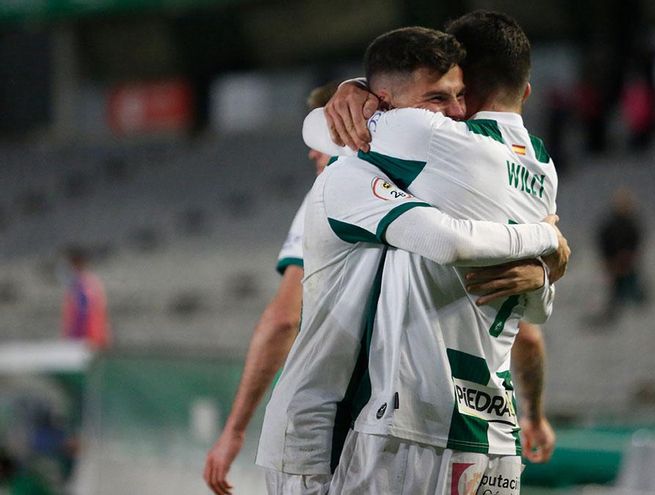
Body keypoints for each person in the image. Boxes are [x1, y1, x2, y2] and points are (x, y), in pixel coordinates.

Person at [257, 25, 568, 495]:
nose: (455, 111)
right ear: (525, 89)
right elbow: (537, 310)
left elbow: (317, 126)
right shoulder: (544, 171)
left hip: (403, 421)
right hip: (488, 427)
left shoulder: (429, 144)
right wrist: (547, 248)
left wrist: (348, 96)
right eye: (440, 98)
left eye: (458, 95)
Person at [202, 84, 338, 495]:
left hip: (320, 422)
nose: (312, 152)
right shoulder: (415, 190)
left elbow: (284, 318)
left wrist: (235, 429)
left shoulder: (329, 192)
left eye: (321, 137)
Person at [596, 188, 645, 323]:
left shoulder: (631, 224)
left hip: (626, 262)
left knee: (632, 290)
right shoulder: (611, 226)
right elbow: (604, 241)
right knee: (617, 291)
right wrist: (610, 259)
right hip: (615, 262)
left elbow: (635, 240)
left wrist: (628, 255)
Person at [61, 246, 109, 350]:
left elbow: (87, 312)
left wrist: (89, 337)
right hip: (83, 337)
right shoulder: (81, 282)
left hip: (87, 339)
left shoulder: (85, 284)